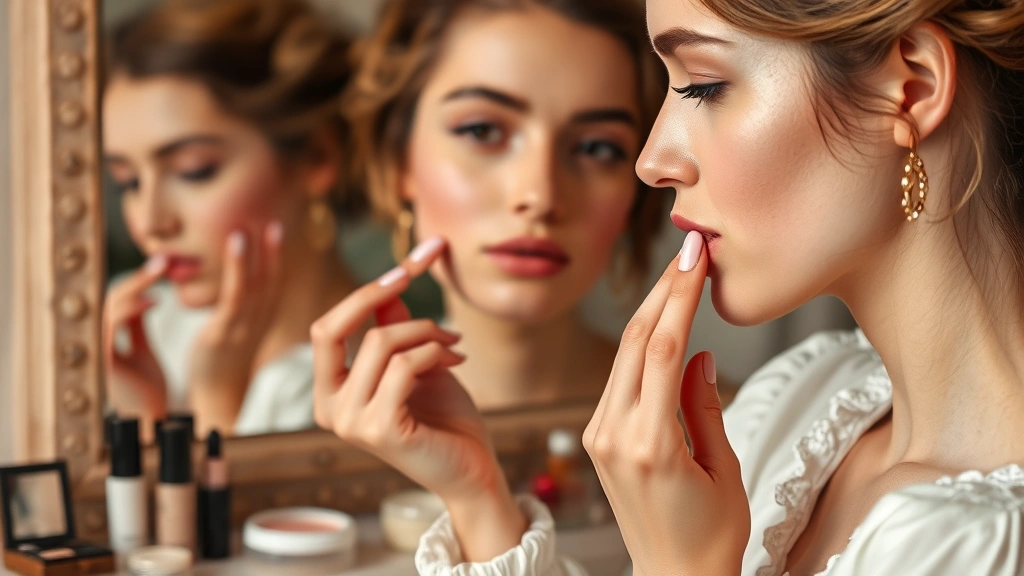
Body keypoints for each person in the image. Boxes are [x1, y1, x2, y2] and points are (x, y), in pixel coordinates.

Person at [315, 0, 1024, 574]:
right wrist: (478, 499)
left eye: (703, 86)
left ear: (912, 88)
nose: (652, 161)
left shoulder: (983, 544)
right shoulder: (802, 401)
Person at [340, 0, 666, 411]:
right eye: (482, 130)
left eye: (596, 148)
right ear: (398, 160)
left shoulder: (740, 437)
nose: (540, 197)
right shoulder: (299, 411)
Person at [102, 0, 361, 439]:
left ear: (318, 157)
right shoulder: (143, 334)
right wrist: (146, 421)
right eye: (129, 182)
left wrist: (216, 401)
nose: (150, 222)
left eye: (194, 170)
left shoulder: (374, 379)